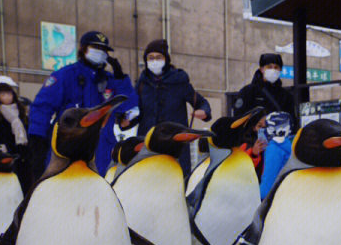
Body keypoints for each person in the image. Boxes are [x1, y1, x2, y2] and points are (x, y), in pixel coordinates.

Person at [25, 29, 139, 185]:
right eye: (95, 48)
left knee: (99, 192)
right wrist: (37, 138)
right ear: (83, 49)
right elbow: (42, 106)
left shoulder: (111, 80)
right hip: (68, 146)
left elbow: (129, 106)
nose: (100, 53)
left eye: (104, 50)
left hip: (101, 149)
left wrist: (121, 78)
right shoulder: (65, 75)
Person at [134, 38, 212, 175]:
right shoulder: (141, 85)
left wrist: (203, 111)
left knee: (175, 181)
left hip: (176, 145)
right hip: (148, 144)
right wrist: (125, 120)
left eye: (158, 57)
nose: (154, 61)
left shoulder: (179, 82)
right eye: (150, 58)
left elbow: (201, 102)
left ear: (166, 59)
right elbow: (135, 112)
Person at [232, 53, 300, 134]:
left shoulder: (286, 95)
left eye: (276, 67)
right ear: (262, 69)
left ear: (280, 70)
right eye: (269, 67)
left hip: (278, 139)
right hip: (254, 140)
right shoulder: (248, 91)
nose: (273, 70)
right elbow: (238, 117)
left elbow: (292, 120)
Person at [0, 74, 29, 192]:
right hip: (4, 157)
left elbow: (27, 132)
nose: (7, 97)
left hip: (23, 156)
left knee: (24, 186)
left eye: (9, 94)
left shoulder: (21, 113)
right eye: (3, 94)